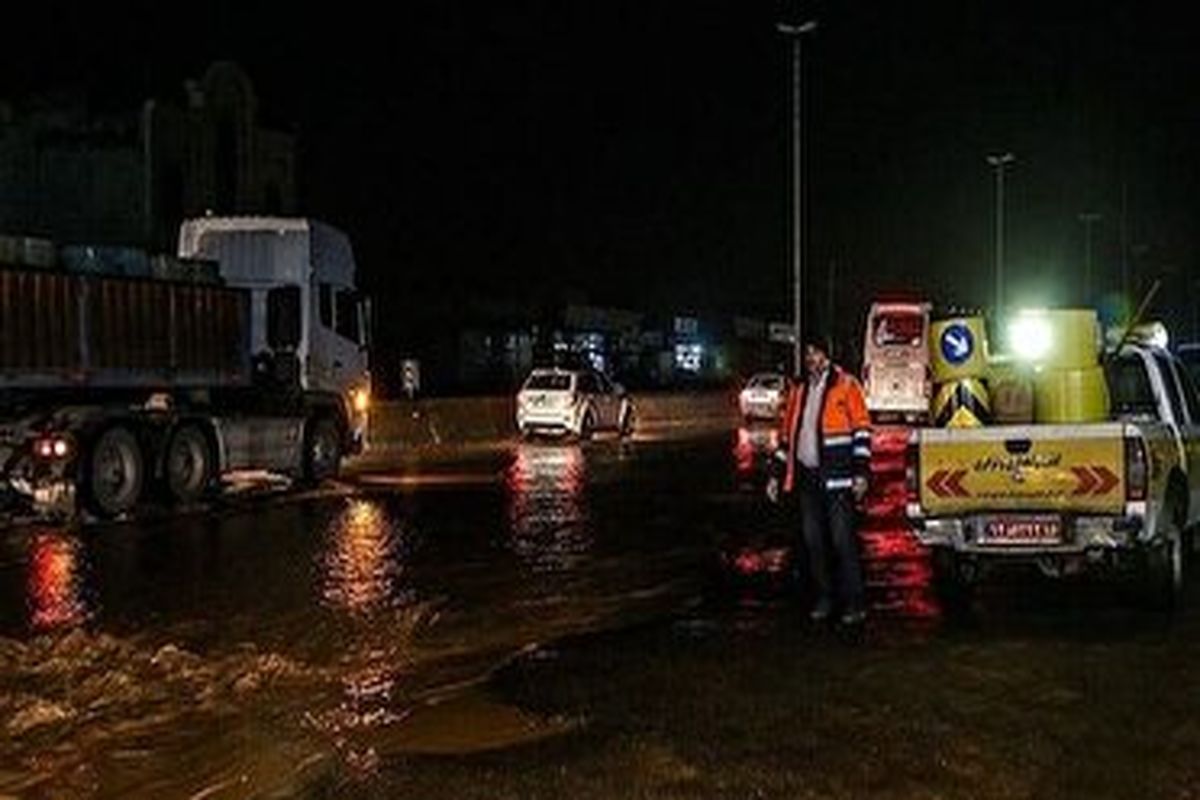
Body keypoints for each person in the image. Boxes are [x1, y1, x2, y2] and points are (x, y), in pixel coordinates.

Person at [767, 333, 872, 625]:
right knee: (813, 543)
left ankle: (854, 603)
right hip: (807, 480)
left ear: (827, 355)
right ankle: (825, 598)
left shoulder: (846, 385)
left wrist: (861, 472)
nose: (810, 359)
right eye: (807, 354)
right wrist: (776, 475)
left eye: (815, 353)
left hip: (838, 481)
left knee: (841, 542)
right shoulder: (799, 389)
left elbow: (862, 430)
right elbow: (788, 437)